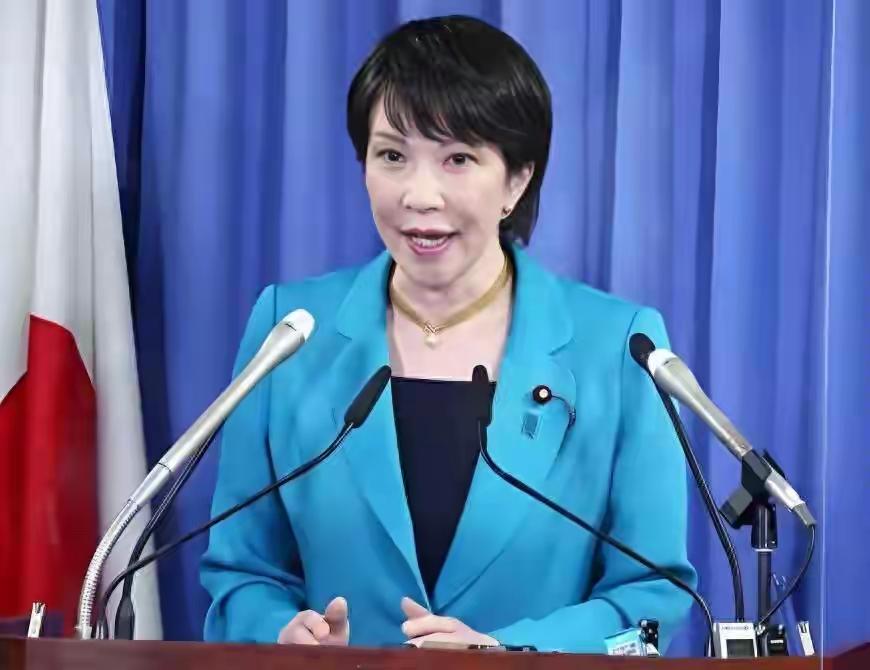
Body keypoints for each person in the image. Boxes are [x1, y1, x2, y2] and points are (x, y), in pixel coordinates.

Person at [201, 15, 696, 653]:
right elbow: (240, 571)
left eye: (458, 159)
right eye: (392, 156)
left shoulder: (618, 347)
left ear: (517, 179)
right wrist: (281, 633)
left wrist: (508, 655)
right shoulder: (292, 332)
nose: (419, 195)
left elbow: (652, 597)